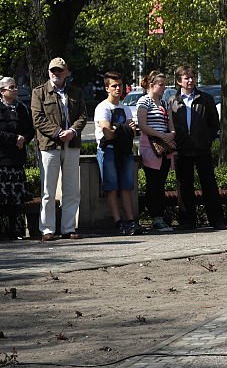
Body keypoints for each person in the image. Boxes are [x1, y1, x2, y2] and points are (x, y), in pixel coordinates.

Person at [31, 57, 87, 241]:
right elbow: (38, 119)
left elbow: (82, 116)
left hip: (71, 144)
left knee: (72, 189)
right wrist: (57, 132)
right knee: (48, 189)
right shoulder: (39, 92)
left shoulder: (76, 92)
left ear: (67, 72)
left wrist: (72, 131)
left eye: (60, 70)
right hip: (49, 145)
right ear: (48, 72)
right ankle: (47, 229)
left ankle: (68, 227)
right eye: (53, 70)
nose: (56, 73)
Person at [170, 66, 225, 229]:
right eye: (186, 78)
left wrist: (207, 139)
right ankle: (187, 221)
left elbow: (214, 123)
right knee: (184, 186)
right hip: (182, 150)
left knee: (209, 185)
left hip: (202, 149)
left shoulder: (205, 99)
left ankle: (217, 220)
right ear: (179, 81)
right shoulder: (173, 101)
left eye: (192, 77)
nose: (190, 80)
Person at [94, 72, 139, 235]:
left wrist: (118, 129)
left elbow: (132, 133)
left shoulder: (125, 108)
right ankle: (118, 222)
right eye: (114, 85)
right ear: (107, 88)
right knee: (112, 188)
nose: (118, 88)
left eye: (119, 85)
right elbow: (108, 134)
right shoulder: (102, 108)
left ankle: (131, 220)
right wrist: (123, 129)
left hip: (124, 150)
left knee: (126, 187)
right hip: (108, 151)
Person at [137, 71, 176, 233]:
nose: (163, 87)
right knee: (153, 183)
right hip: (151, 147)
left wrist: (171, 134)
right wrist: (160, 135)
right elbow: (142, 124)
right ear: (152, 86)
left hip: (164, 148)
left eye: (164, 84)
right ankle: (155, 217)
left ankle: (160, 216)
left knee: (161, 182)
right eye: (161, 84)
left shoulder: (165, 103)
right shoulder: (143, 101)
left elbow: (171, 123)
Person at [0, 76, 33, 240]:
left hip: (17, 159)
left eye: (15, 87)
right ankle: (3, 231)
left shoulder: (21, 108)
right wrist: (14, 139)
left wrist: (23, 139)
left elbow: (29, 129)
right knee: (3, 198)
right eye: (11, 87)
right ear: (2, 91)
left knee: (16, 199)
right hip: (2, 160)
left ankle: (16, 230)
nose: (14, 90)